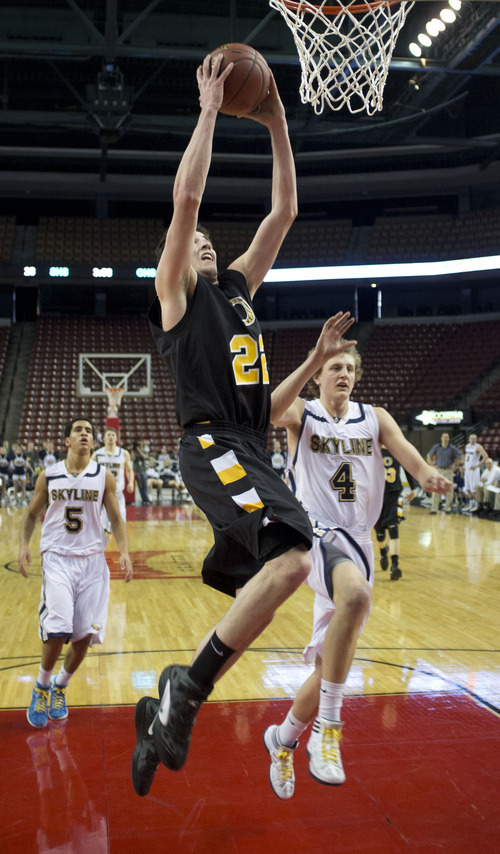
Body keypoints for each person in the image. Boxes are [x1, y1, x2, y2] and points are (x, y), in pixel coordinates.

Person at [131, 52, 318, 798]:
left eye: (212, 239)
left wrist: (275, 122)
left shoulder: (237, 287)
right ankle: (186, 688)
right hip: (211, 442)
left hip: (253, 448)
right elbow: (185, 198)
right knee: (294, 561)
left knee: (280, 574)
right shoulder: (177, 297)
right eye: (194, 241)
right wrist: (210, 109)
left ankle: (169, 707)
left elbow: (284, 213)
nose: (204, 238)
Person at [262, 319, 453, 800]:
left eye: (348, 367)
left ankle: (282, 739)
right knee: (357, 595)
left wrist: (429, 475)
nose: (342, 374)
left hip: (359, 542)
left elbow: (411, 457)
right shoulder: (302, 415)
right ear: (320, 376)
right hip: (317, 534)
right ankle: (329, 728)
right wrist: (310, 359)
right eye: (334, 368)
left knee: (329, 662)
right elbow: (265, 412)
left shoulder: (376, 417)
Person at [18, 417, 133, 729]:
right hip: (57, 558)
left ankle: (60, 687)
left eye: (89, 432)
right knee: (58, 630)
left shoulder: (103, 476)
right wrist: (23, 545)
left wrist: (123, 551)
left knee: (84, 638)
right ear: (67, 441)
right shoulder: (49, 475)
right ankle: (41, 687)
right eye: (78, 430)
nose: (85, 434)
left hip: (93, 562)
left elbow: (116, 519)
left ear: (93, 444)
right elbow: (30, 514)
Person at [374, 447, 416, 581]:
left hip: (394, 495)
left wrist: (413, 488)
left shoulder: (397, 450)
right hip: (376, 497)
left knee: (393, 529)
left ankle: (395, 566)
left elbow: (408, 468)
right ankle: (382, 551)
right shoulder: (372, 450)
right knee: (380, 534)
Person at [92, 426, 134, 532]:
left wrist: (131, 482)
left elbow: (129, 470)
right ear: (104, 439)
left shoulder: (123, 453)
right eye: (108, 435)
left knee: (121, 526)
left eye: (113, 435)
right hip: (103, 494)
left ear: (116, 438)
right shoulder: (97, 454)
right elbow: (89, 471)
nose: (111, 437)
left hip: (118, 493)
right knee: (102, 529)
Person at [426, 433, 462, 514]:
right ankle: (434, 509)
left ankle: (448, 508)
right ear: (441, 438)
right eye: (444, 437)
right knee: (436, 489)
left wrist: (455, 464)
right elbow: (429, 455)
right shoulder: (437, 447)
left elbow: (460, 456)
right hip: (439, 470)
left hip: (448, 470)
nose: (445, 438)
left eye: (447, 437)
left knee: (449, 489)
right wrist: (432, 465)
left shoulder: (452, 448)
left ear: (449, 439)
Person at [462, 433, 487, 512]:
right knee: (468, 489)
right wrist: (463, 465)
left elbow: (486, 456)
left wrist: (477, 466)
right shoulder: (467, 446)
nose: (472, 440)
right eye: (471, 438)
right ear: (469, 439)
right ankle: (471, 504)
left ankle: (477, 505)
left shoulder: (478, 447)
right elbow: (466, 457)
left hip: (474, 470)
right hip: (467, 470)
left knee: (474, 489)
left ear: (476, 439)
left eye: (474, 438)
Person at [130, 440, 151, 505]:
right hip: (137, 471)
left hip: (143, 470)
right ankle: (143, 499)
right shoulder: (134, 452)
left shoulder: (144, 451)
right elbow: (132, 459)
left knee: (145, 485)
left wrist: (139, 450)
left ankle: (147, 499)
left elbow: (144, 457)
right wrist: (132, 450)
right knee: (140, 486)